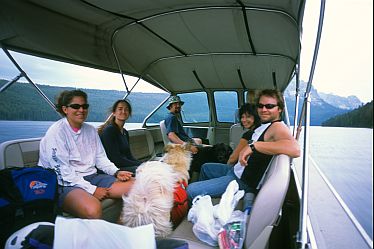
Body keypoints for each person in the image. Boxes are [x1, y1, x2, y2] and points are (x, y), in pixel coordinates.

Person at [186, 89, 300, 201]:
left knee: (191, 190)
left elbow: (295, 149)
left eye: (269, 106)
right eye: (260, 106)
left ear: (279, 109)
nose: (264, 109)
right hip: (235, 171)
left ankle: (193, 207)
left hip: (242, 181)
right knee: (206, 167)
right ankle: (201, 204)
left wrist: (253, 146)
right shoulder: (264, 126)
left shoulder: (277, 126)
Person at [38, 90, 134, 219]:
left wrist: (116, 172)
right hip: (65, 184)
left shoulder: (90, 130)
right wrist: (93, 190)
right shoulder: (56, 132)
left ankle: (121, 224)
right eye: (76, 106)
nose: (81, 110)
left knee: (139, 186)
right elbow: (62, 173)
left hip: (92, 176)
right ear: (65, 109)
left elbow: (101, 158)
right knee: (93, 210)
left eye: (85, 106)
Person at [98, 99, 141, 173]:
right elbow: (115, 159)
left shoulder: (125, 132)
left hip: (122, 166)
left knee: (148, 168)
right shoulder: (109, 131)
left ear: (129, 113)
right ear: (114, 113)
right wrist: (141, 166)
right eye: (120, 109)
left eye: (126, 109)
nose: (123, 112)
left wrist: (144, 164)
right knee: (145, 171)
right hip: (112, 169)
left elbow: (129, 156)